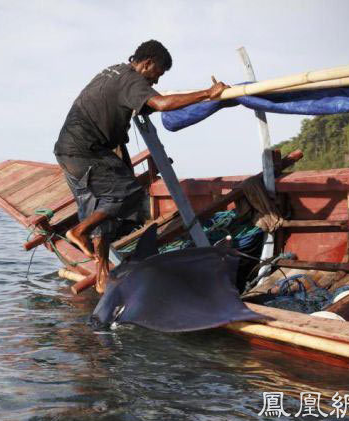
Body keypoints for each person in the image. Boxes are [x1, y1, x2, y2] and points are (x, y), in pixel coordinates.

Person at [54, 40, 228, 293]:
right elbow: (162, 104)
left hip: (67, 149)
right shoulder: (132, 80)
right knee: (130, 193)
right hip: (87, 151)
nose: (155, 82)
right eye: (157, 74)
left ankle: (102, 277)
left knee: (100, 213)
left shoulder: (113, 71)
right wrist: (207, 93)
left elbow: (126, 109)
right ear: (147, 64)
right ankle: (79, 230)